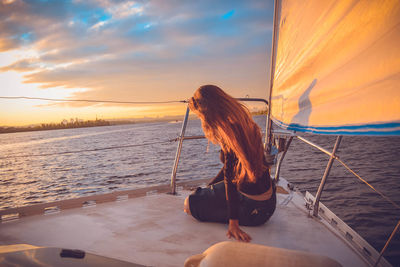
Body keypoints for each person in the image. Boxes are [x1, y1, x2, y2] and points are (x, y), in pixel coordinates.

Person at [183, 85, 276, 242]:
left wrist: (233, 223)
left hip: (253, 210)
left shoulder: (228, 132)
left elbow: (230, 178)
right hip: (268, 205)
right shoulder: (242, 120)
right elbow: (230, 167)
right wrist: (210, 187)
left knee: (188, 204)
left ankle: (232, 215)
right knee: (200, 194)